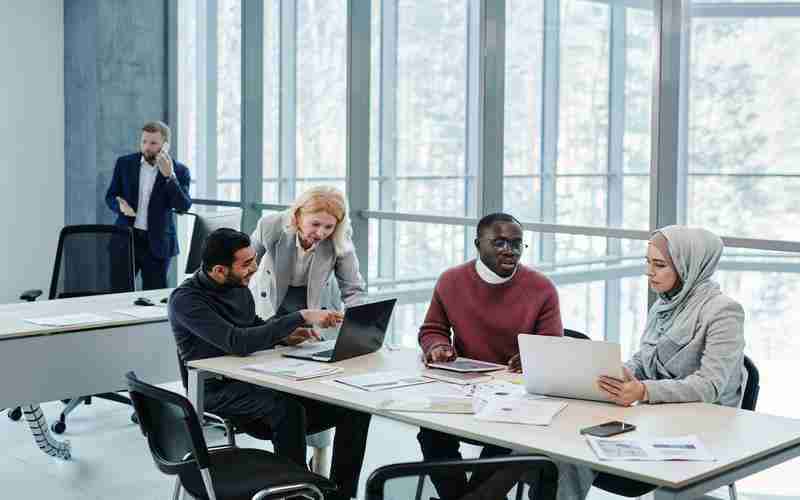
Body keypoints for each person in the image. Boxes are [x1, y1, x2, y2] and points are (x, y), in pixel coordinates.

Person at [168, 228, 372, 500]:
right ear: (218, 270)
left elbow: (254, 329)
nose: (254, 267)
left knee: (354, 408)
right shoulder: (186, 301)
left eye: (253, 259)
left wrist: (285, 338)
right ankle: (296, 494)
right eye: (246, 264)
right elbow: (237, 341)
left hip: (255, 381)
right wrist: (301, 316)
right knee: (287, 409)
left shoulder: (238, 288)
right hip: (217, 393)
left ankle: (341, 494)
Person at [556, 225, 746, 500]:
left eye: (659, 265)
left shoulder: (724, 311)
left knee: (579, 452)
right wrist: (618, 373)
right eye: (648, 262)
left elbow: (710, 386)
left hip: (702, 424)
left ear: (686, 266)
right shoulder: (663, 305)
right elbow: (645, 360)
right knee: (571, 447)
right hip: (656, 414)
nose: (649, 272)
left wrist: (644, 391)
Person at [417, 212, 564, 500]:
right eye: (499, 243)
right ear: (478, 244)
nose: (509, 250)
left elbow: (552, 347)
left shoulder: (542, 288)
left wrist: (533, 358)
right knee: (431, 431)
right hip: (462, 388)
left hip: (516, 396)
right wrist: (436, 346)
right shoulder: (451, 281)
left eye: (516, 243)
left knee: (508, 442)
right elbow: (432, 329)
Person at [249, 185, 365, 320]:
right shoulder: (270, 225)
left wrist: (359, 322)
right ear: (297, 216)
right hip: (273, 294)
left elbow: (352, 289)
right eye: (315, 224)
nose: (321, 233)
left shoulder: (339, 236)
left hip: (316, 300)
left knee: (314, 339)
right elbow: (245, 267)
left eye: (329, 226)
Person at [105, 121, 192, 289]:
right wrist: (119, 206)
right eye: (144, 141)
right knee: (118, 294)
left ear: (165, 145)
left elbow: (183, 206)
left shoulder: (180, 171)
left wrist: (170, 177)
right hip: (126, 239)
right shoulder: (124, 163)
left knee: (153, 298)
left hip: (158, 244)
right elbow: (110, 196)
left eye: (153, 143)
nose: (147, 147)